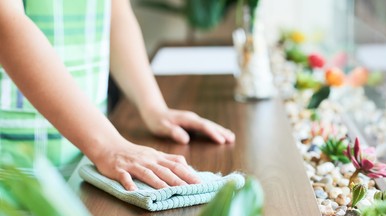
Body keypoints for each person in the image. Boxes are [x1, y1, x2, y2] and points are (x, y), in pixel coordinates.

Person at [0, 0, 235, 191]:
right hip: (14, 165)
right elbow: (6, 25)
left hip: (85, 159)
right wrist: (106, 146)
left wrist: (153, 107)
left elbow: (114, 12)